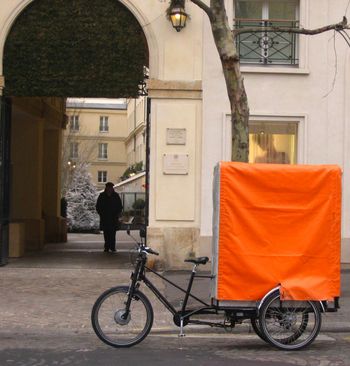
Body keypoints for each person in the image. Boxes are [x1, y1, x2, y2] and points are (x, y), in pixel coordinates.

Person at [96, 182, 123, 253]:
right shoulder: (102, 195)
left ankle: (112, 247)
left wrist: (117, 213)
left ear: (112, 188)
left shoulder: (116, 196)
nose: (110, 189)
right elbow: (98, 206)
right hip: (105, 218)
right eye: (108, 187)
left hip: (113, 218)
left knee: (113, 233)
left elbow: (120, 206)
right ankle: (106, 247)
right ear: (106, 188)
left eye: (111, 187)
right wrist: (101, 214)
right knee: (106, 233)